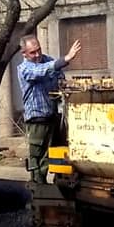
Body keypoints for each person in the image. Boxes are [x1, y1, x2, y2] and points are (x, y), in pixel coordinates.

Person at [17, 35, 82, 184]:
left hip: (53, 114)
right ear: (24, 54)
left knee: (57, 153)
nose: (38, 54)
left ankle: (60, 183)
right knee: (39, 157)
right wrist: (65, 59)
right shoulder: (24, 68)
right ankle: (39, 186)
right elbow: (43, 70)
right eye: (33, 52)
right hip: (37, 119)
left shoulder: (46, 59)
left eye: (38, 50)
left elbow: (59, 75)